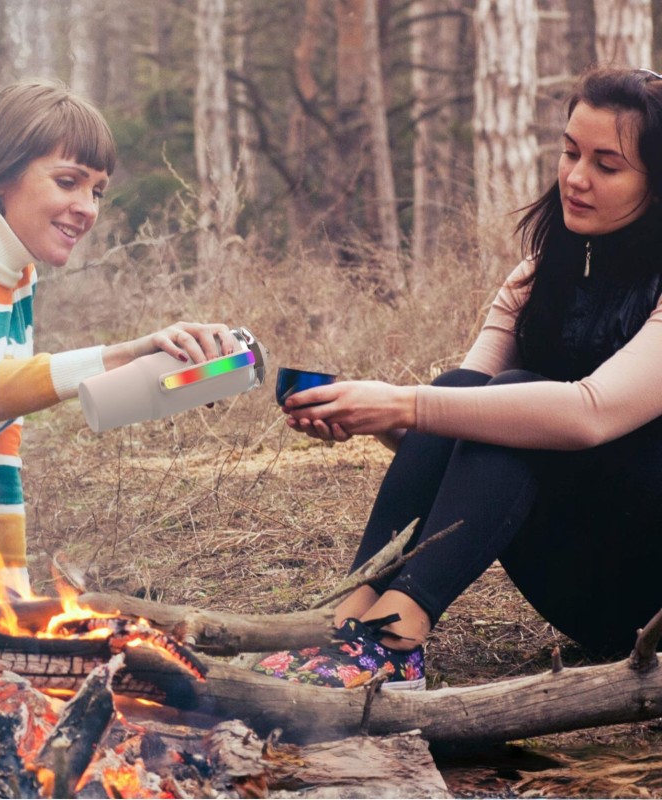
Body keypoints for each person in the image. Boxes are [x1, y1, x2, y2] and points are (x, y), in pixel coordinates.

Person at [253, 65, 662, 691]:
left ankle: (396, 641)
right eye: (570, 152)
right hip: (578, 577)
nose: (576, 178)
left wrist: (403, 405)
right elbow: (456, 427)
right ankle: (340, 624)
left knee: (507, 399)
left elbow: (588, 414)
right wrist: (372, 418)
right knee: (467, 391)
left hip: (650, 597)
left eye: (607, 166)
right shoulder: (534, 278)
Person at [0, 80, 237, 596]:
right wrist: (123, 354)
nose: (87, 207)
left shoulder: (17, 279)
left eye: (97, 191)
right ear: (1, 173)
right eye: (68, 181)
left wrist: (14, 599)